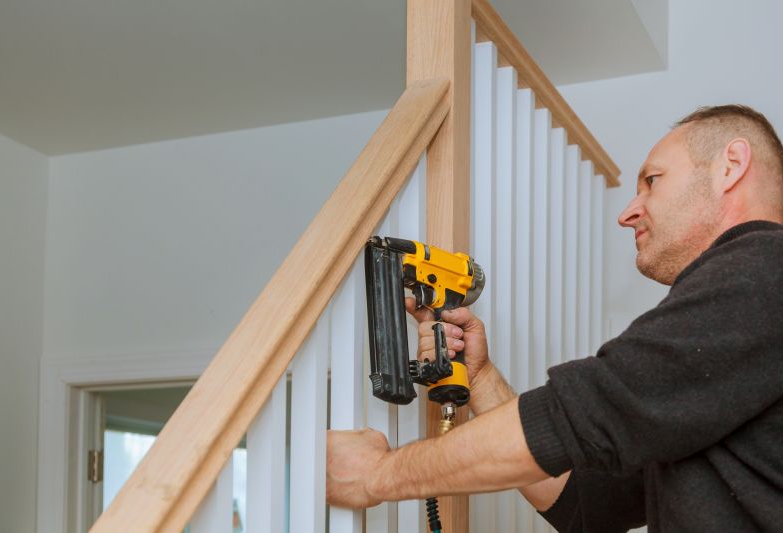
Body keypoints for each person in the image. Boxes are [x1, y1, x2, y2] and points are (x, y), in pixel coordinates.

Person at [326, 105, 783, 532]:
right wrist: (480, 379)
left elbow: (581, 416)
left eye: (652, 181)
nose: (628, 213)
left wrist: (377, 474)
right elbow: (586, 501)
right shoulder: (740, 331)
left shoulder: (765, 267)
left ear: (732, 165)